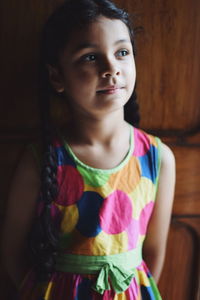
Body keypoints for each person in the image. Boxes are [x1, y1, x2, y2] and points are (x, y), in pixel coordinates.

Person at [1, 0, 176, 299]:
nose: (111, 69)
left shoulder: (158, 158)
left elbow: (154, 254)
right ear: (57, 76)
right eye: (91, 57)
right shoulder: (41, 159)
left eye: (122, 52)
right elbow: (12, 252)